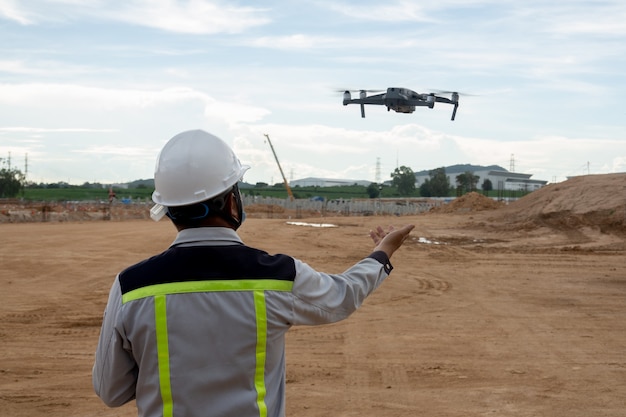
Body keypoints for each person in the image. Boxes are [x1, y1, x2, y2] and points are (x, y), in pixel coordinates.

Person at [93, 129, 414, 417]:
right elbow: (343, 296)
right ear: (232, 202)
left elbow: (112, 392)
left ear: (168, 210)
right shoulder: (279, 276)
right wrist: (381, 254)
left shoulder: (130, 288)